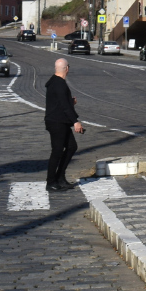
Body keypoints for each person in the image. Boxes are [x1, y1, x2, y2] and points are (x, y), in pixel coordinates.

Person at [44, 58, 83, 191]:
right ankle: (50, 182)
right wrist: (75, 121)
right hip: (56, 122)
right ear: (66, 68)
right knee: (57, 151)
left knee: (71, 147)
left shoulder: (54, 82)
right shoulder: (60, 84)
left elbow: (60, 102)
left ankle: (60, 177)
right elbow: (64, 106)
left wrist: (70, 101)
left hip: (60, 121)